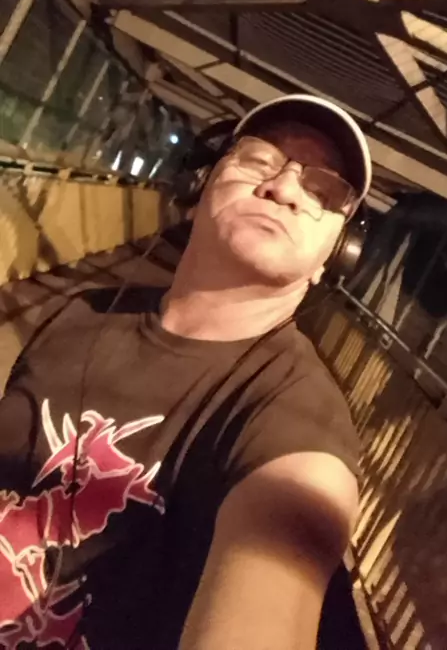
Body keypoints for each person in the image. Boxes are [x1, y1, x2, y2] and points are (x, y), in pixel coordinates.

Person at [0, 93, 372, 649]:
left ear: (335, 257)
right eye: (259, 161)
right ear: (197, 192)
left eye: (323, 192)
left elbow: (283, 548)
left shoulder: (297, 420)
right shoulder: (81, 312)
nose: (284, 189)